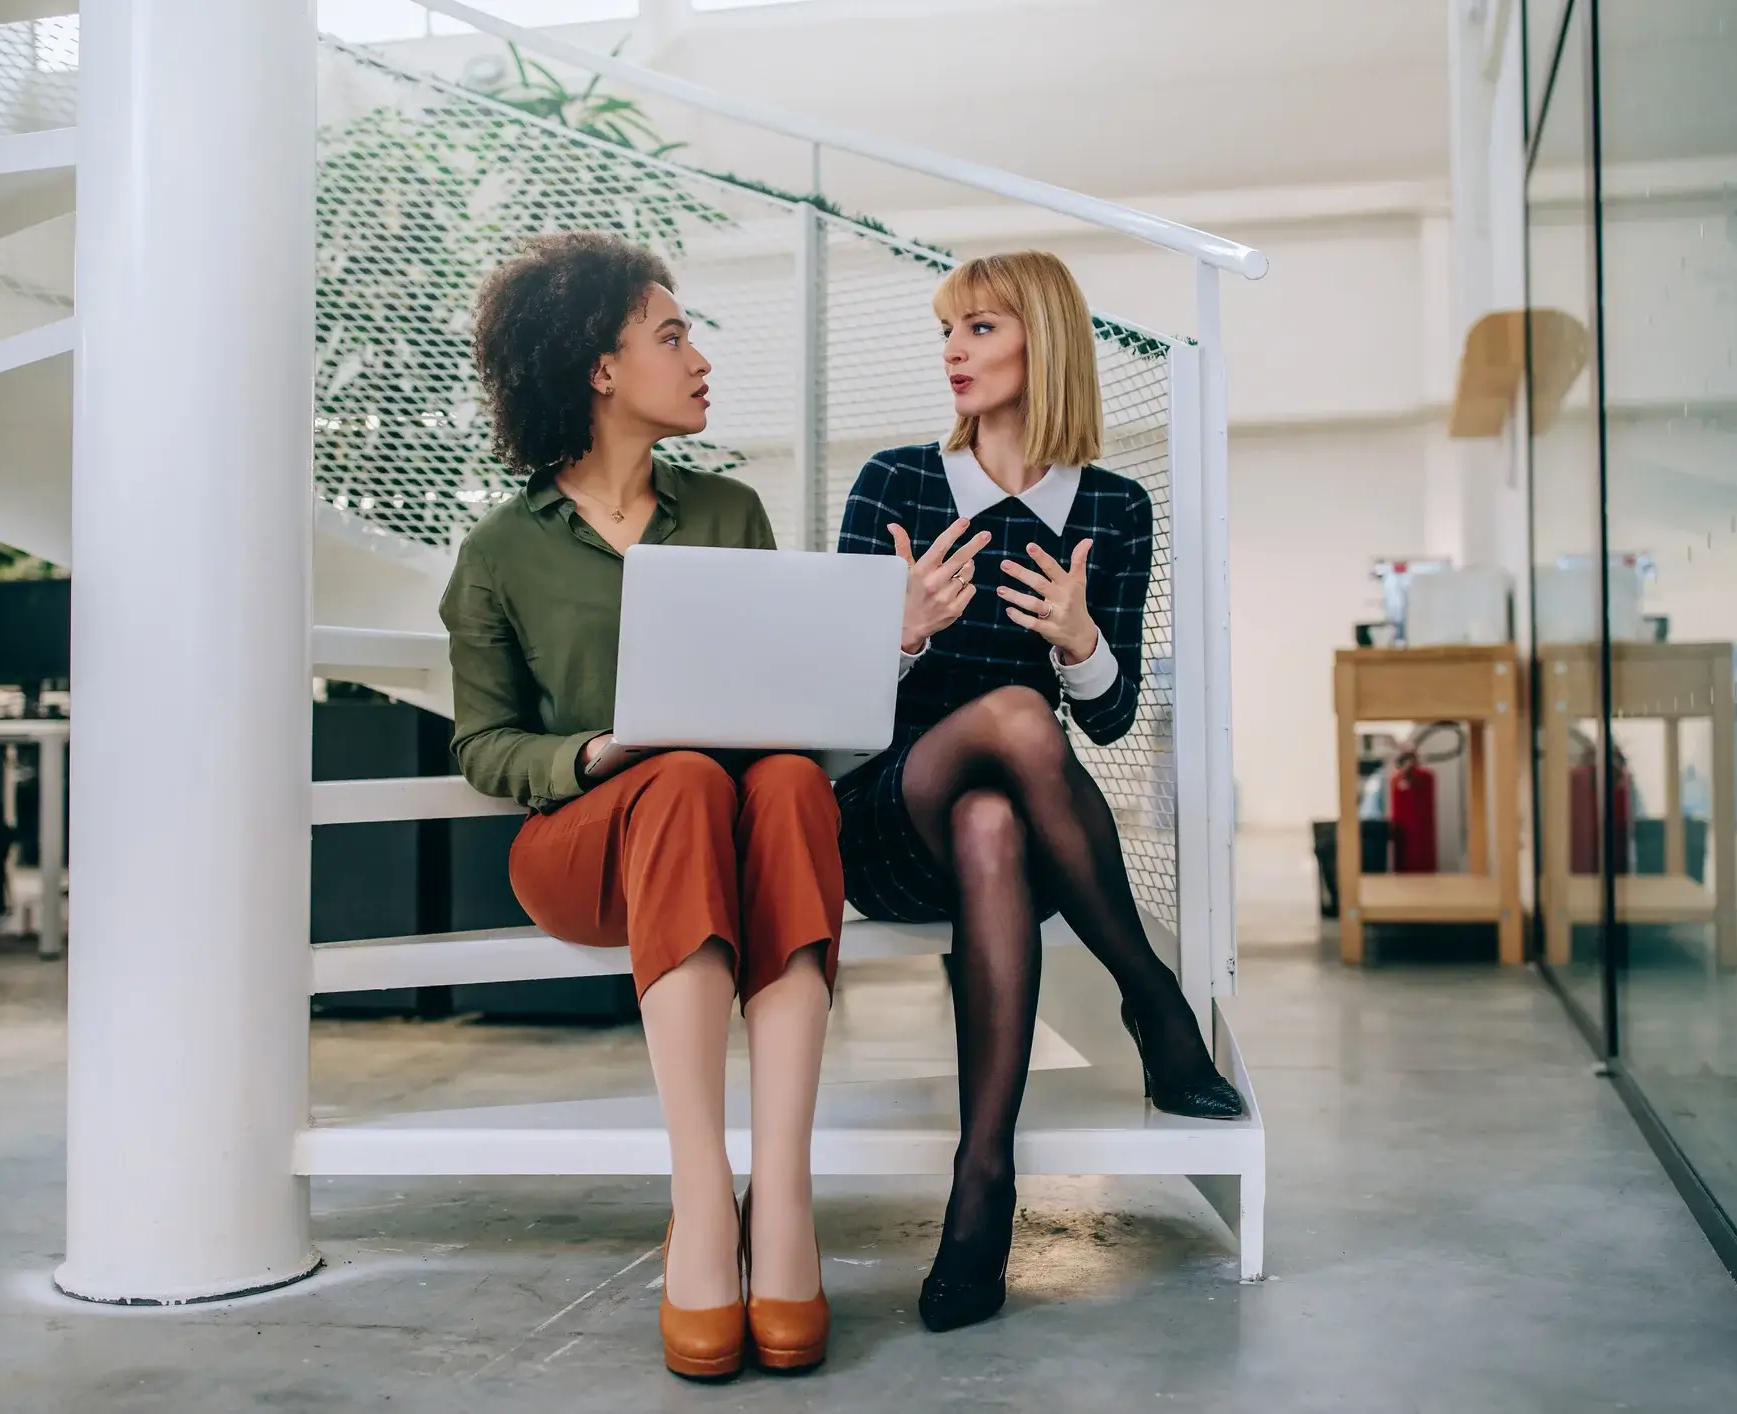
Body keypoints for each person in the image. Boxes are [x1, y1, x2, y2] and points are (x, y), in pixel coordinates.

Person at [440, 232, 836, 1380]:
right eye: (673, 335)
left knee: (787, 779)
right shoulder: (503, 550)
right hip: (588, 846)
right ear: (600, 369)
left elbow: (780, 710)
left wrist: (869, 649)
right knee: (675, 774)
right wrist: (605, 749)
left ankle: (788, 1193)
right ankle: (705, 1194)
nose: (700, 356)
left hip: (732, 826)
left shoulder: (731, 512)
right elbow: (483, 741)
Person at [835, 250, 1245, 1334]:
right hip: (884, 812)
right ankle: (1153, 1000)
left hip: (1009, 843)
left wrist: (1082, 643)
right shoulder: (895, 485)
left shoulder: (1112, 506)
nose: (952, 353)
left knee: (996, 807)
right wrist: (904, 630)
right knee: (1015, 724)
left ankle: (983, 1185)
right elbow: (830, 710)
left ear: (1042, 344)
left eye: (980, 329)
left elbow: (1104, 721)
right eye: (948, 331)